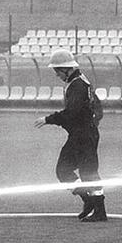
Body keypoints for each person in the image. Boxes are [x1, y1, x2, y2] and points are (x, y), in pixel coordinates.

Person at [33, 49, 107, 222]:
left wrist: (48, 119)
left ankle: (99, 210)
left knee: (88, 173)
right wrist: (92, 122)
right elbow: (97, 107)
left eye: (57, 71)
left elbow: (71, 113)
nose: (57, 75)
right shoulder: (79, 81)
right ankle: (89, 201)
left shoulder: (78, 86)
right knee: (64, 171)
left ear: (66, 68)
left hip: (83, 136)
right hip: (81, 134)